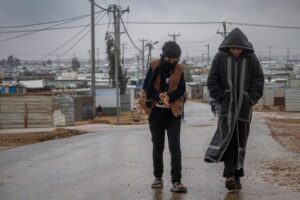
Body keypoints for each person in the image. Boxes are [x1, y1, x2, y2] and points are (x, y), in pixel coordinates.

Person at [204, 28, 264, 190]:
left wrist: (249, 99)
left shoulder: (251, 59)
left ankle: (237, 176)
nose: (236, 51)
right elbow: (212, 81)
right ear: (228, 47)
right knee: (228, 140)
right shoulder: (220, 58)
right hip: (226, 109)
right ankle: (229, 175)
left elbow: (259, 80)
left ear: (244, 48)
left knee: (240, 141)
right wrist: (221, 97)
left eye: (239, 49)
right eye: (233, 48)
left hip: (244, 110)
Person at [140, 41, 187, 193]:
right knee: (158, 146)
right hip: (155, 114)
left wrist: (170, 97)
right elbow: (146, 86)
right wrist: (158, 95)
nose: (173, 63)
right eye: (170, 60)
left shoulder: (180, 69)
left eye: (176, 60)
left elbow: (182, 89)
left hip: (173, 114)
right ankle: (158, 178)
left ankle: (177, 181)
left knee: (175, 147)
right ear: (164, 57)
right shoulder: (154, 66)